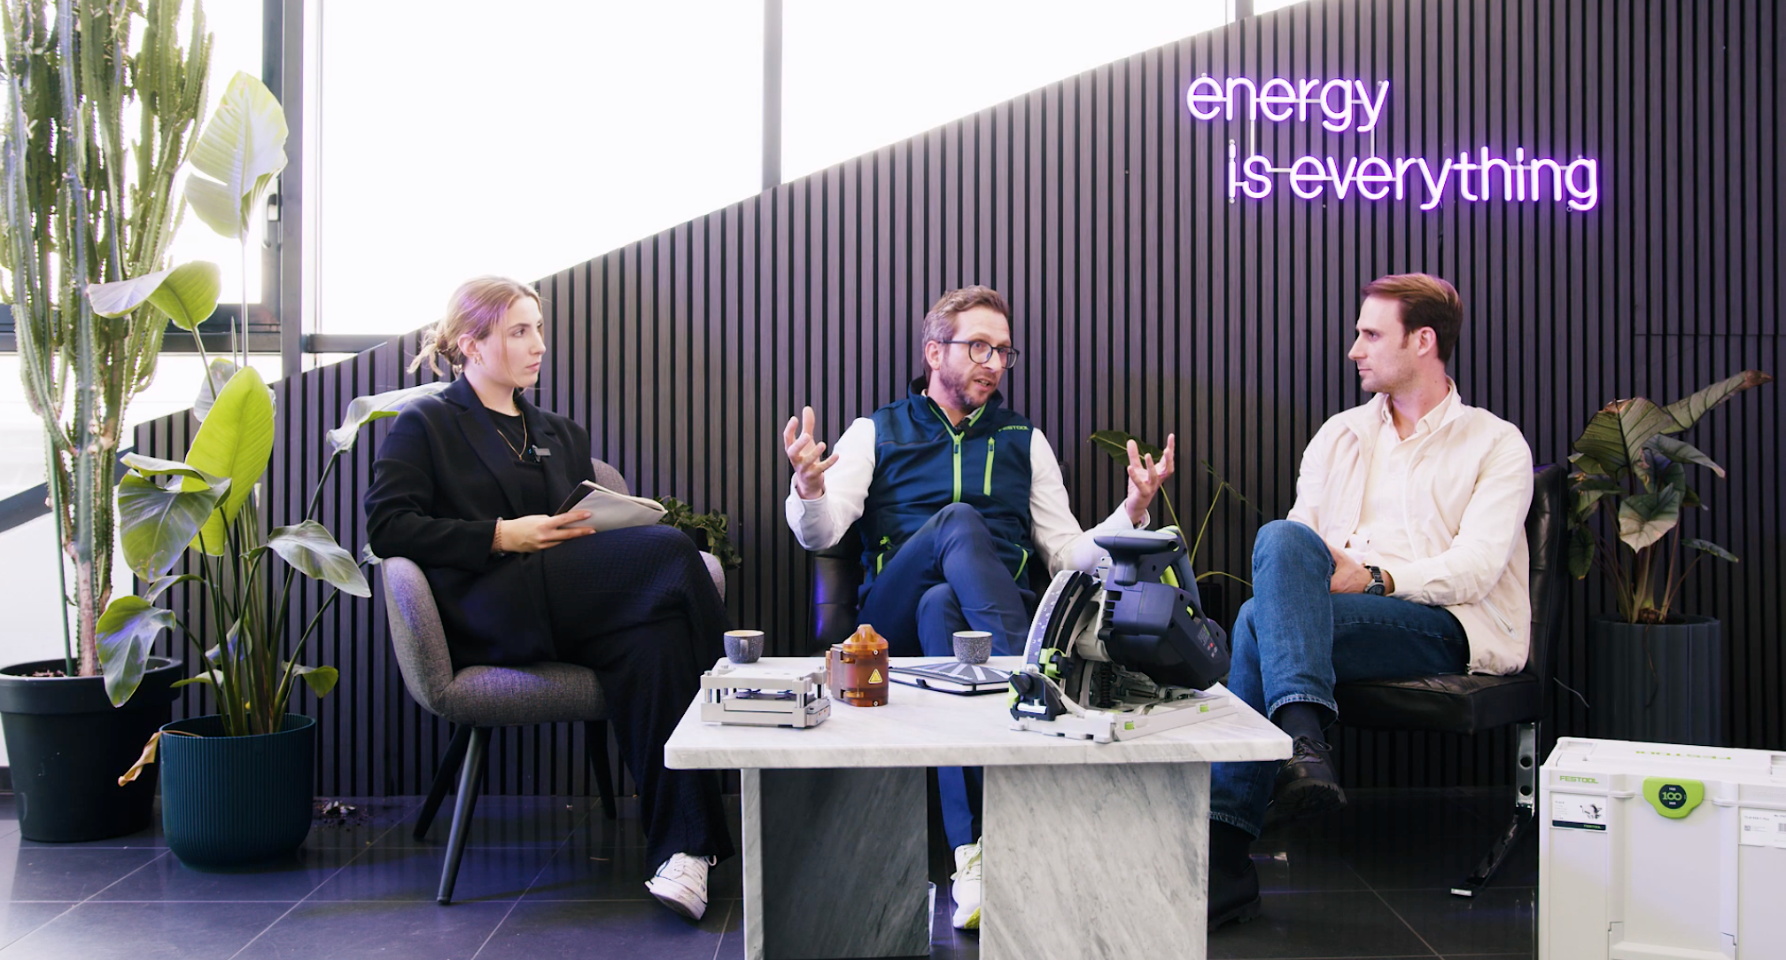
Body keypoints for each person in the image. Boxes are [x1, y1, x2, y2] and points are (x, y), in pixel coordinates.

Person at [782, 285, 1175, 930]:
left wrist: (1131, 511)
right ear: (935, 352)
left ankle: (972, 858)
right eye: (979, 347)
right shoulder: (877, 430)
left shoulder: (1024, 439)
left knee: (945, 607)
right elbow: (820, 533)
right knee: (955, 525)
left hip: (979, 615)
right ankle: (1031, 681)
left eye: (1003, 351)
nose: (993, 363)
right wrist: (808, 486)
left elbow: (1065, 552)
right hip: (891, 619)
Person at [365, 276, 734, 921]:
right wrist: (502, 535)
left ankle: (684, 855)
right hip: (491, 606)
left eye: (537, 328)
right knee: (674, 551)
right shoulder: (427, 424)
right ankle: (738, 703)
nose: (538, 344)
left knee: (658, 642)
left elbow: (580, 531)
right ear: (470, 344)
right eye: (519, 331)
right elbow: (387, 528)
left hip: (571, 606)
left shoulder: (561, 433)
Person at [1206, 273, 1534, 929]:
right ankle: (1304, 745)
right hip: (1338, 613)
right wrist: (1323, 577)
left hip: (1447, 624)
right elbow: (1299, 545)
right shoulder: (1341, 434)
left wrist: (1376, 579)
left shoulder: (1495, 443)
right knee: (1280, 540)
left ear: (1423, 341)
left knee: (1253, 620)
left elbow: (1474, 570)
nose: (1354, 349)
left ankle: (1228, 854)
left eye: (1371, 334)